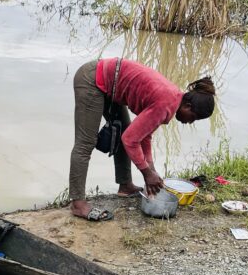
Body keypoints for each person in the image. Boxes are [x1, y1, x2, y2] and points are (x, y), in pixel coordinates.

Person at [69, 58, 216, 221]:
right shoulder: (165, 103)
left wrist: (151, 169)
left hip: (112, 83)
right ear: (188, 106)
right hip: (92, 79)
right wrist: (146, 173)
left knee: (126, 130)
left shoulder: (172, 99)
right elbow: (130, 140)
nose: (190, 122)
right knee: (85, 143)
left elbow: (144, 134)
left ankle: (125, 186)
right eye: (193, 118)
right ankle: (78, 203)